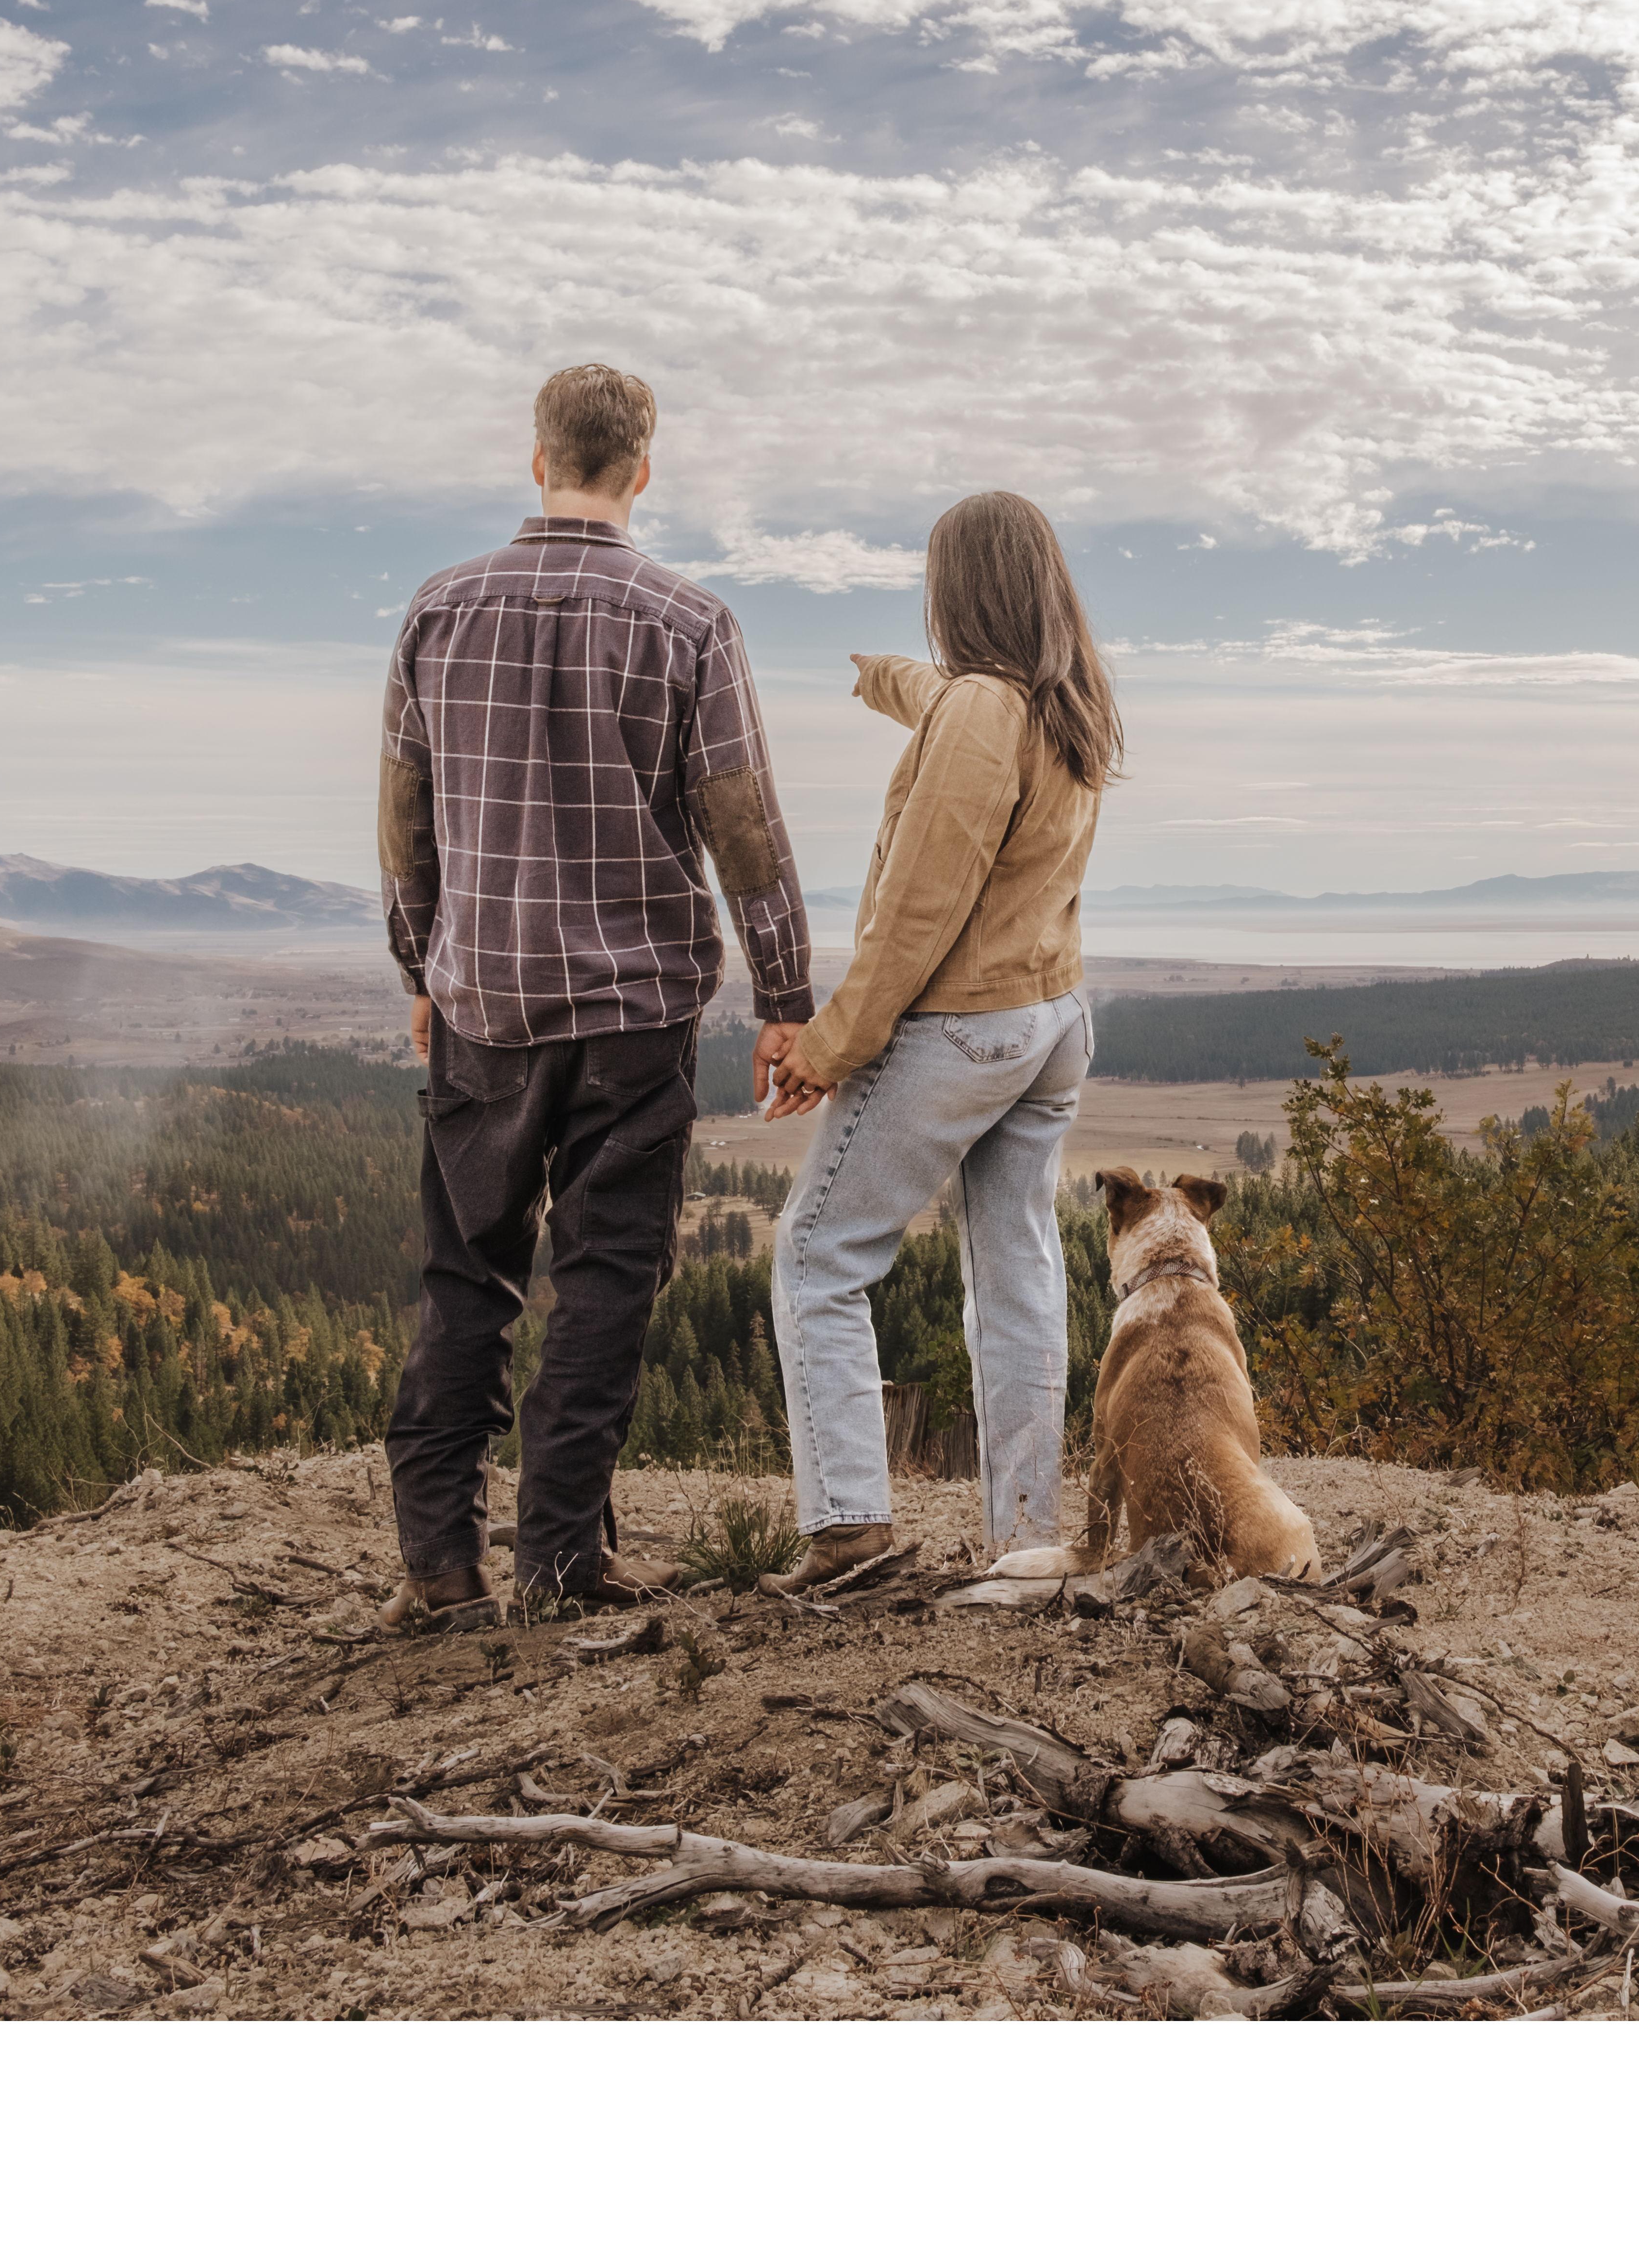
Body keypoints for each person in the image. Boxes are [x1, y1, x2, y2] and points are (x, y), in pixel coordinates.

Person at [373, 363, 815, 1625]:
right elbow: (747, 830)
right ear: (642, 470)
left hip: (485, 1009)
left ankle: (440, 1567)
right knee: (608, 1280)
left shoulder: (438, 610)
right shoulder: (690, 623)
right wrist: (783, 995)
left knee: (468, 1280)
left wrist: (424, 965)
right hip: (632, 1015)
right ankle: (561, 1558)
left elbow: (407, 817)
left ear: (537, 459)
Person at [760, 491, 1116, 1588]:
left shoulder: (978, 712)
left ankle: (850, 1530)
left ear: (956, 591)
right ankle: (1025, 1537)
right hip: (1052, 1022)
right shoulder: (1065, 703)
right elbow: (946, 700)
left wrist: (831, 1043)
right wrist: (881, 679)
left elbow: (919, 906)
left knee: (818, 1254)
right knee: (1016, 1273)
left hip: (963, 1027)